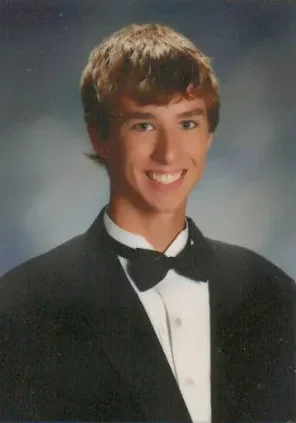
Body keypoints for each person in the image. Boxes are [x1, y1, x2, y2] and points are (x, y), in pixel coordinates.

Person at [0, 23, 295, 422]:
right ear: (99, 136)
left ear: (209, 135)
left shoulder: (273, 293)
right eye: (144, 125)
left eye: (188, 123)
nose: (169, 153)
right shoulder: (21, 306)